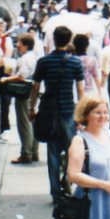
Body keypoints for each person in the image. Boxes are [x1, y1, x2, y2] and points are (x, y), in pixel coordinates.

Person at [30, 26, 85, 203]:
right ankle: (67, 180)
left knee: (52, 151)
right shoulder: (75, 62)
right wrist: (82, 113)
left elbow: (35, 86)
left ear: (53, 39)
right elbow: (80, 89)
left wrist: (32, 108)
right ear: (69, 41)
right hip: (69, 110)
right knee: (71, 150)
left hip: (49, 110)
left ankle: (55, 192)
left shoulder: (44, 62)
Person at [2, 33, 39, 165]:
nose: (17, 45)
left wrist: (7, 79)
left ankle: (26, 153)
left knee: (24, 123)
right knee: (32, 122)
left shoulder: (24, 59)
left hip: (24, 92)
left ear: (26, 46)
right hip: (34, 92)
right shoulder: (34, 56)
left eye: (19, 43)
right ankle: (34, 151)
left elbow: (22, 76)